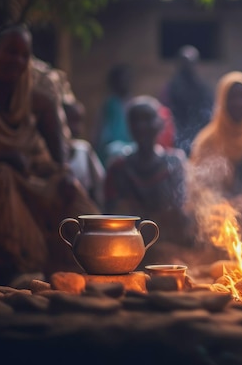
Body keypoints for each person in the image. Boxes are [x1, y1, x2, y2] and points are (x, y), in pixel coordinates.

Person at [0, 24, 99, 284]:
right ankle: (24, 270)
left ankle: (92, 264)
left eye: (23, 54)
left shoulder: (38, 99)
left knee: (69, 190)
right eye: (9, 52)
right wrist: (5, 157)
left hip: (33, 177)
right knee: (2, 175)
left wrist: (65, 177)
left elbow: (59, 158)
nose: (16, 60)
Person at [104, 95, 193, 254]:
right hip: (126, 250)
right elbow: (110, 217)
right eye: (135, 120)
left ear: (160, 124)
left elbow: (182, 214)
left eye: (147, 119)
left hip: (172, 252)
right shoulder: (118, 167)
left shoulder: (174, 164)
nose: (142, 126)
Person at [189, 71, 242, 196]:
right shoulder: (207, 141)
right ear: (222, 100)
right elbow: (198, 185)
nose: (239, 103)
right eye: (232, 97)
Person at [161, 45, 213, 156]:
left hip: (198, 136)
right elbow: (165, 113)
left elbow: (208, 112)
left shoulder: (202, 89)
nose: (188, 66)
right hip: (176, 137)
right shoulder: (171, 89)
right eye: (184, 62)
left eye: (191, 62)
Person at [63, 100, 106, 209]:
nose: (75, 127)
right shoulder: (48, 151)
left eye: (78, 121)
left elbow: (98, 186)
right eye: (70, 121)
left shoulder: (84, 150)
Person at [95, 63, 133, 164]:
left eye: (126, 80)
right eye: (121, 80)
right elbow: (100, 132)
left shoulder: (132, 104)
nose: (124, 83)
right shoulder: (110, 105)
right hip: (112, 148)